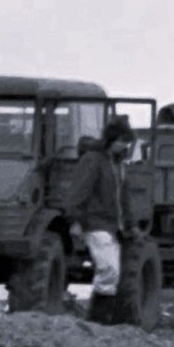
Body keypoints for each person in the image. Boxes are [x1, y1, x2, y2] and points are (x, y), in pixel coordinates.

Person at [63, 115, 130, 313]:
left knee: (111, 272)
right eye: (122, 141)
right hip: (95, 222)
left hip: (112, 225)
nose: (124, 146)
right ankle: (98, 316)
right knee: (109, 270)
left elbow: (124, 198)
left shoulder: (117, 165)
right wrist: (74, 220)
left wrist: (131, 223)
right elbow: (79, 191)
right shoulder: (93, 160)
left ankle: (101, 316)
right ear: (111, 139)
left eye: (126, 142)